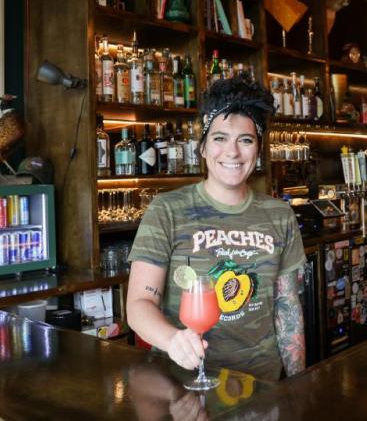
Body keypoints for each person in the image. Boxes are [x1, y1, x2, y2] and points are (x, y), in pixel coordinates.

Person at [126, 76, 306, 381]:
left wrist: (298, 384)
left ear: (258, 150)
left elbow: (288, 308)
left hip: (261, 384)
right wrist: (173, 340)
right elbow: (139, 305)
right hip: (185, 384)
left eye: (245, 140)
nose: (232, 152)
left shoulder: (280, 215)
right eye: (220, 138)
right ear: (203, 148)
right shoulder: (167, 210)